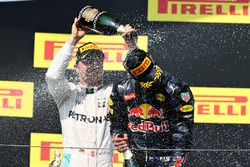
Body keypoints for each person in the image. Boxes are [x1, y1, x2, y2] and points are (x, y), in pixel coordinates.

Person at [108, 25, 194, 167]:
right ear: (133, 77)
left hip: (167, 160)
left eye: (151, 73)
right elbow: (117, 122)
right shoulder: (121, 89)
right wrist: (118, 136)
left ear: (151, 59)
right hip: (134, 159)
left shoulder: (177, 89)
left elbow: (182, 136)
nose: (151, 80)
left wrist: (175, 163)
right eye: (145, 79)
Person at [45, 17, 113, 167]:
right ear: (76, 67)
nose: (93, 64)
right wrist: (73, 40)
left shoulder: (113, 93)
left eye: (97, 60)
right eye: (88, 61)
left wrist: (132, 45)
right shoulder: (67, 93)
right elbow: (52, 76)